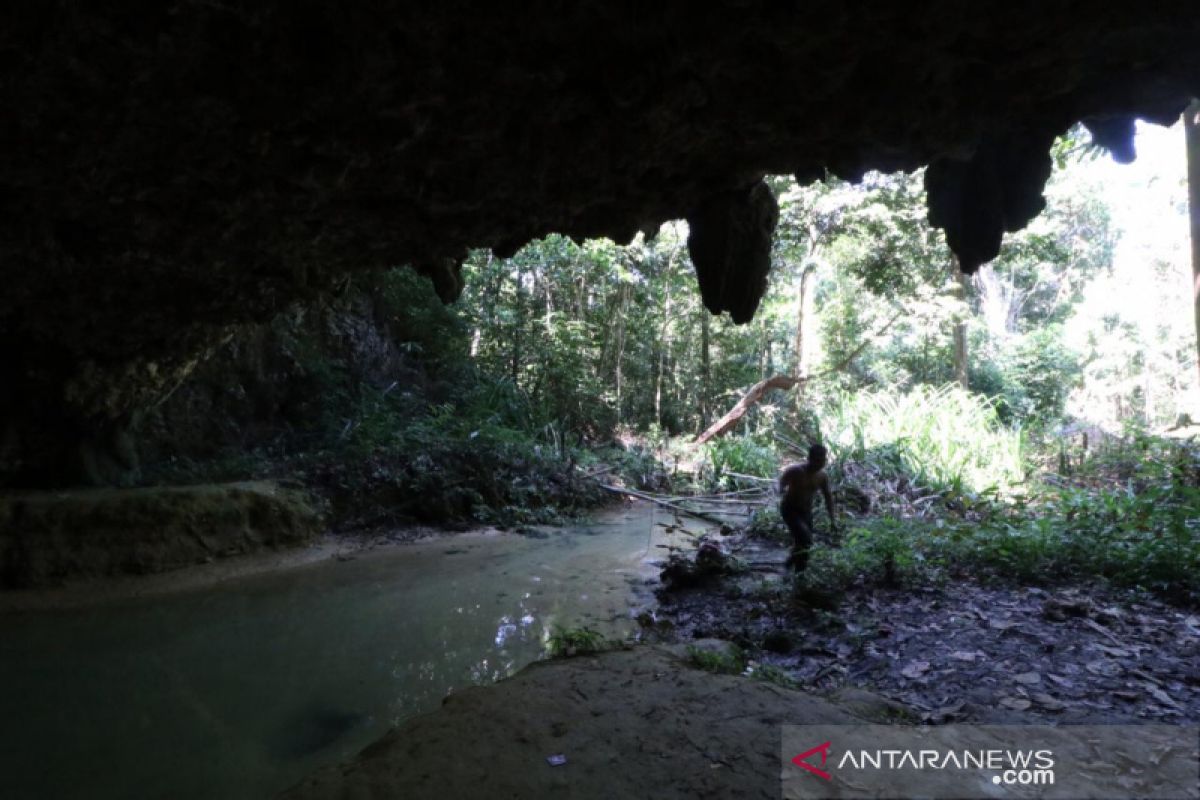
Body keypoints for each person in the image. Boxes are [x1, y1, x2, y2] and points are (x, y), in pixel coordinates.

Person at [778, 444, 836, 572]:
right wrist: (781, 489)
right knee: (806, 538)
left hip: (806, 512)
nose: (820, 463)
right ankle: (797, 571)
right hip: (790, 510)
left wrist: (832, 519)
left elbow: (828, 498)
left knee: (804, 544)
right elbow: (781, 481)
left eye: (823, 460)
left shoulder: (822, 476)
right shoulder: (796, 471)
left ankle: (794, 568)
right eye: (817, 460)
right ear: (809, 458)